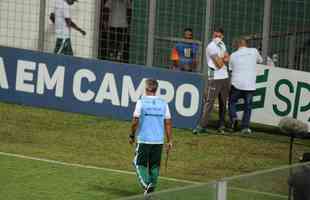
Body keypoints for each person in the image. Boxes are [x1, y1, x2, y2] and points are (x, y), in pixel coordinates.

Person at [129, 79, 173, 197]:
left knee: (138, 164)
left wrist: (132, 135)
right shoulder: (163, 103)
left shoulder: (141, 102)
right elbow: (168, 122)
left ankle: (148, 186)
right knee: (154, 166)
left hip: (144, 139)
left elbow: (135, 121)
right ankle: (151, 190)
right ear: (156, 89)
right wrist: (169, 140)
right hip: (158, 141)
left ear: (146, 88)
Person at [193, 27, 230, 134]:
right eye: (215, 36)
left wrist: (222, 59)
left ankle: (221, 126)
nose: (217, 38)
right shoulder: (211, 47)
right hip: (215, 77)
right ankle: (201, 126)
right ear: (212, 35)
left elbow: (227, 58)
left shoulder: (223, 44)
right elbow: (219, 64)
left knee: (223, 103)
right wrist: (223, 59)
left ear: (222, 36)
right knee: (209, 102)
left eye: (219, 36)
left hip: (225, 76)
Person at [228, 37, 263, 134]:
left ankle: (234, 118)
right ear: (245, 44)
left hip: (237, 83)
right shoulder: (254, 51)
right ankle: (245, 127)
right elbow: (261, 60)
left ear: (237, 45)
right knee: (248, 106)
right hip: (250, 84)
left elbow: (230, 69)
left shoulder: (233, 55)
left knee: (232, 102)